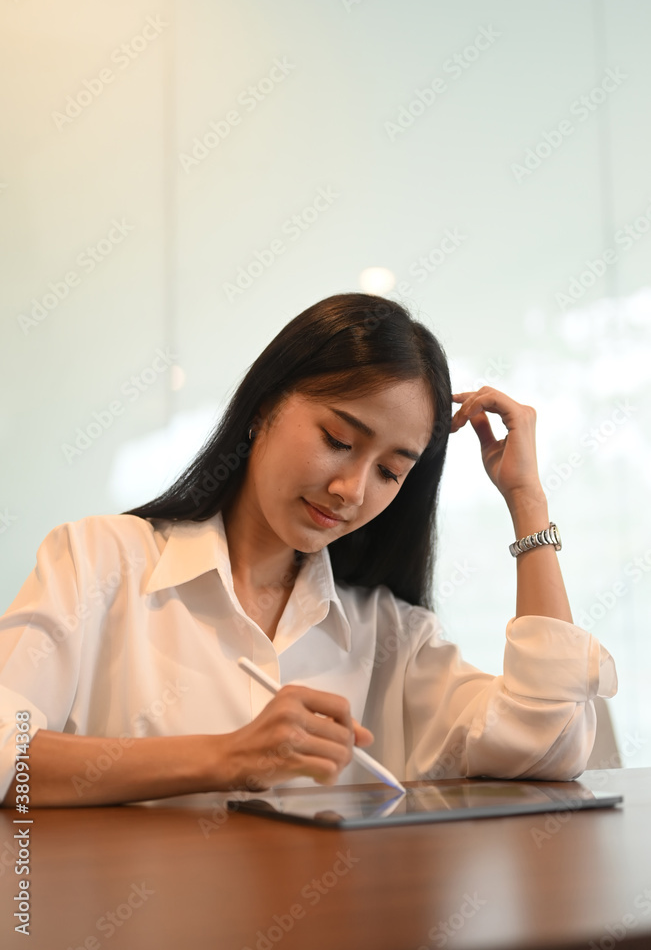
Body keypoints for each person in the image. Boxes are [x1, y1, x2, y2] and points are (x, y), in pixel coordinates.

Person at [0, 293, 616, 808]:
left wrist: (527, 501)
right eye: (339, 440)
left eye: (390, 472)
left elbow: (549, 744)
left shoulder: (389, 638)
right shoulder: (99, 562)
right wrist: (225, 756)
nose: (351, 490)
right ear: (265, 405)